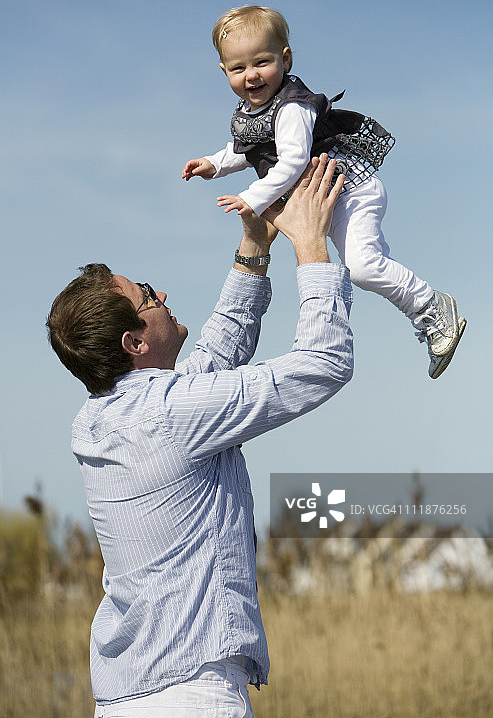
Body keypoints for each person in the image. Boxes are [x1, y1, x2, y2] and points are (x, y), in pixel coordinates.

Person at [46, 155, 353, 717]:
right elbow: (323, 364)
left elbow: (211, 363)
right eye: (146, 296)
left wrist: (254, 248)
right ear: (134, 343)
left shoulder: (100, 419)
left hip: (123, 701)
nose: (159, 294)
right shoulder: (172, 414)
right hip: (192, 699)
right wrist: (311, 249)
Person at [181, 5, 466, 379]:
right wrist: (215, 164)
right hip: (326, 198)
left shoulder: (292, 108)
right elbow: (249, 149)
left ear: (285, 59)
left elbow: (293, 159)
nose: (251, 76)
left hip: (351, 191)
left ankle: (431, 307)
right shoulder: (255, 110)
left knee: (362, 268)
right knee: (360, 265)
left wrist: (252, 196)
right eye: (238, 68)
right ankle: (425, 308)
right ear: (224, 71)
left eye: (261, 62)